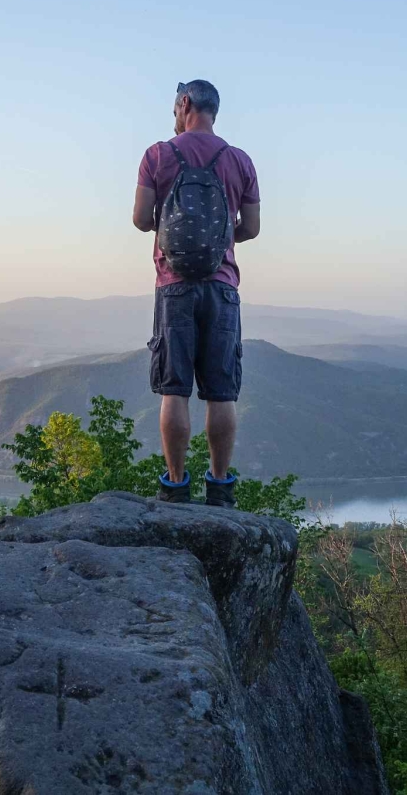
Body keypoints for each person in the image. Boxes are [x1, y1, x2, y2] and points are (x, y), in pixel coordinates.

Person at [132, 80, 260, 507]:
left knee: (174, 389)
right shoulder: (239, 161)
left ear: (184, 104)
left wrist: (169, 230)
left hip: (174, 287)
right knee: (221, 392)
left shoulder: (158, 155)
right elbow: (252, 228)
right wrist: (222, 240)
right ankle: (220, 489)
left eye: (174, 107)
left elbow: (139, 219)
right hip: (222, 288)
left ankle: (175, 486)